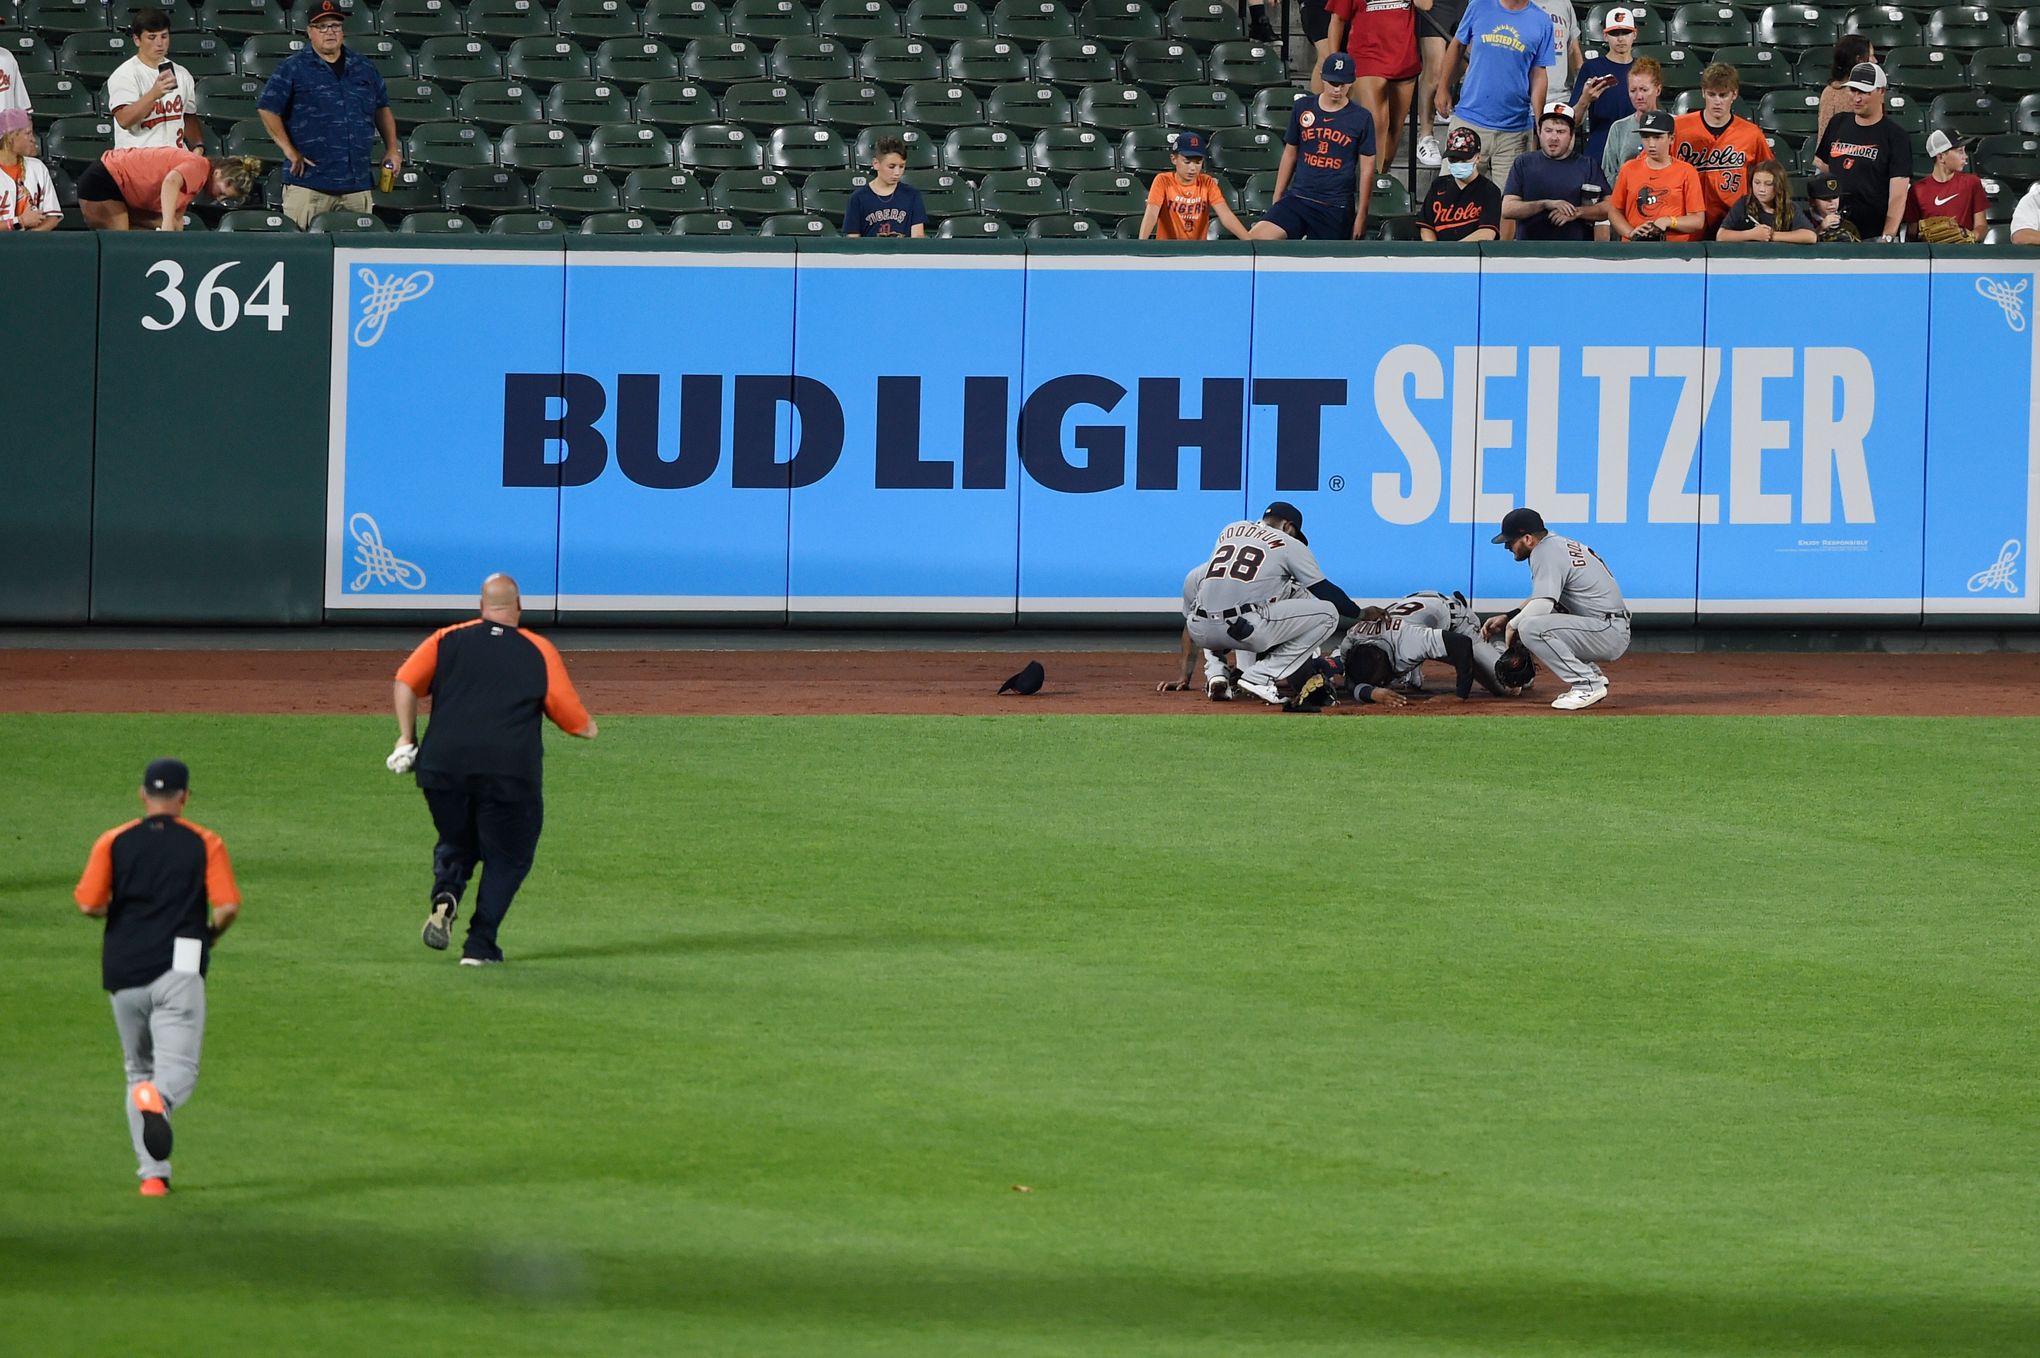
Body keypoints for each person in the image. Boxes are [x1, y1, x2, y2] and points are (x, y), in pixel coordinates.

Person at [389, 574, 597, 966]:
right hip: (508, 773)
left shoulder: (446, 638)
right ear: (519, 606)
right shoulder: (538, 649)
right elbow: (574, 721)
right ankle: (480, 944)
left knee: (457, 837)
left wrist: (405, 739)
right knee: (508, 856)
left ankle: (446, 895)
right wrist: (588, 728)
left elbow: (404, 681)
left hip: (441, 769)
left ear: (481, 606)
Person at [73, 758, 242, 1197]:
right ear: (184, 797)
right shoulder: (205, 842)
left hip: (122, 966)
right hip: (181, 964)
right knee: (177, 1072)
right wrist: (209, 937)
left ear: (143, 794)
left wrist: (125, 916)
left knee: (137, 1071)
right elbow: (227, 908)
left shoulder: (113, 841)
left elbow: (89, 904)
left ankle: (153, 1175)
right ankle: (160, 1101)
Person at [1183, 501, 1363, 707]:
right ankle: (1259, 677)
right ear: (1288, 526)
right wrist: (1360, 614)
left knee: (1212, 607)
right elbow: (1324, 591)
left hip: (1200, 630)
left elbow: (1188, 624)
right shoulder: (1288, 543)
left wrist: (1184, 677)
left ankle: (1216, 675)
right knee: (1329, 613)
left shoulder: (1230, 530)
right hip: (1244, 628)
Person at [257, 0, 399, 231]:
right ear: (309, 32)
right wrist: (289, 150)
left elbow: (382, 108)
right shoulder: (293, 68)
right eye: (322, 27)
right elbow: (267, 108)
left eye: (335, 25)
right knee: (303, 254)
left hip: (356, 185)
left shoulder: (364, 67)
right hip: (310, 185)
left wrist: (392, 148)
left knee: (355, 256)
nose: (330, 31)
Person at [1480, 506, 1630, 710]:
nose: (1507, 546)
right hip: (1606, 625)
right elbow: (1543, 596)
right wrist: (1509, 616)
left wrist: (1512, 626)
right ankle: (1591, 674)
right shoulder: (1555, 545)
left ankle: (1587, 684)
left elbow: (1543, 604)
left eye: (1510, 540)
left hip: (1607, 631)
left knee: (1531, 627)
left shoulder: (1544, 552)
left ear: (1527, 539)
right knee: (1538, 618)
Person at [1251, 53, 1376, 241]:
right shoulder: (1303, 107)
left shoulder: (1361, 117)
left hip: (1335, 206)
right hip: (1299, 198)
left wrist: (1362, 215)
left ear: (1351, 82)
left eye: (1343, 84)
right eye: (1333, 83)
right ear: (1323, 79)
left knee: (1324, 263)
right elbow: (1290, 153)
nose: (1338, 88)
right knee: (1254, 238)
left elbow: (1367, 169)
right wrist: (1278, 197)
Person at [1433, 0, 1556, 193]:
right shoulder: (1478, 6)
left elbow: (1539, 73)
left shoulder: (1542, 21)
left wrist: (1540, 119)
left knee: (1510, 205)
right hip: (1470, 121)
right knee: (1452, 198)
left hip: (1514, 131)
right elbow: (1457, 45)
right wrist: (1443, 87)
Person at [1337, 589, 1520, 698]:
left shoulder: (1409, 642)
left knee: (1509, 686)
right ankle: (1411, 672)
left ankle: (1499, 651)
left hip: (1456, 623)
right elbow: (1350, 679)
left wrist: (1459, 697)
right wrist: (1368, 692)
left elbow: (1461, 645)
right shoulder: (1351, 640)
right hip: (1418, 618)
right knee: (1394, 677)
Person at [1325, 0, 1430, 169]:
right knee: (1377, 124)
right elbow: (1337, 20)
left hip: (1404, 58)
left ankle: (1379, 179)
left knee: (1394, 133)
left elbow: (1426, 5)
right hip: (1366, 56)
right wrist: (1335, 64)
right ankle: (1370, 186)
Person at [1813, 61, 1909, 243]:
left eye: (1864, 92)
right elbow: (1822, 175)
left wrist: (1887, 237)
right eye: (1853, 91)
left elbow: (1898, 195)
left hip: (1874, 235)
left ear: (1881, 92)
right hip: (1835, 232)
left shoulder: (1896, 136)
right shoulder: (1838, 122)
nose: (1856, 98)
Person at [1673, 62, 1770, 239]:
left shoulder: (1751, 134)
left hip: (1734, 219)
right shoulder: (1679, 128)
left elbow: (1769, 174)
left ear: (1734, 94)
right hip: (1687, 216)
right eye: (1712, 94)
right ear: (1703, 93)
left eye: (1723, 95)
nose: (1717, 101)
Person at [74, 147, 260, 229]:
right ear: (219, 173)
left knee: (171, 226)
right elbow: (171, 181)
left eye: (223, 199)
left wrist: (170, 224)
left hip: (120, 191)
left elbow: (175, 223)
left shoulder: (194, 186)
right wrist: (167, 224)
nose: (218, 199)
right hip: (105, 179)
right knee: (123, 243)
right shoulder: (199, 166)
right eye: (221, 193)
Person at [1501, 100, 1608, 241]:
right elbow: (1508, 209)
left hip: (1577, 253)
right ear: (1539, 132)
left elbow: (1609, 207)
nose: (1553, 137)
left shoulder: (1588, 165)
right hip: (1530, 252)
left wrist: (1577, 212)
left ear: (1571, 135)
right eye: (1548, 130)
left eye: (1561, 132)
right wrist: (1545, 204)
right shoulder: (1523, 163)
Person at [106, 9, 202, 151]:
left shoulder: (182, 74)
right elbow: (124, 120)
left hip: (175, 158)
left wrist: (198, 146)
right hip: (138, 160)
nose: (159, 43)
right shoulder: (125, 74)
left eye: (164, 36)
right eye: (151, 37)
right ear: (137, 40)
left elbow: (188, 115)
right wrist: (153, 94)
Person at [1607, 109, 1703, 242]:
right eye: (1646, 137)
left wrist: (1669, 222)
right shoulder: (1628, 169)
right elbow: (1614, 211)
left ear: (1671, 139)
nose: (1651, 144)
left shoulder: (1686, 171)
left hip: (1672, 252)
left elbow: (1697, 220)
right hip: (1634, 248)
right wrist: (1630, 233)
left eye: (1657, 137)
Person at [1138, 131, 1249, 240]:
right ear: (1173, 159)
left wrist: (1249, 242)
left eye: (1198, 162)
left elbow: (1226, 216)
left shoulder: (1207, 182)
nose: (1192, 168)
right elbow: (1152, 214)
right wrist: (1141, 243)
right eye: (1187, 162)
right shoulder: (1163, 180)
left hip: (1197, 251)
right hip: (1167, 251)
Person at [1569, 7, 1635, 173]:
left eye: (1625, 32)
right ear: (1605, 35)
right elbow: (1573, 121)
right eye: (1615, 33)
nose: (1620, 39)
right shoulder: (1592, 68)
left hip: (1635, 148)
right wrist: (1585, 99)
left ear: (1634, 34)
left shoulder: (1642, 68)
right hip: (1600, 148)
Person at [1903, 130, 1988, 245]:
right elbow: (1912, 233)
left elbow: (1981, 225)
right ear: (1941, 156)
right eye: (1960, 151)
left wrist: (1970, 236)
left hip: (1965, 253)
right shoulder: (1917, 191)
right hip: (1931, 255)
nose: (1966, 156)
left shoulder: (1972, 182)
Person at [1420, 124, 1502, 239]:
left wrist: (1454, 253)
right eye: (1453, 159)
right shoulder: (1438, 185)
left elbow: (1487, 233)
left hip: (1473, 254)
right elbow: (1426, 227)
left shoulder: (1490, 191)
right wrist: (1437, 253)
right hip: (1439, 254)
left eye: (1463, 159)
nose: (1458, 164)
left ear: (1478, 158)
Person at [841, 134, 925, 238]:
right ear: (876, 164)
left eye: (902, 166)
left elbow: (918, 238)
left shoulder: (913, 195)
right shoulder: (858, 198)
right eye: (891, 166)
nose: (897, 172)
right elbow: (853, 241)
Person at [1714, 159, 1816, 243]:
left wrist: (1771, 235)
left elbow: (1810, 236)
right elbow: (1722, 235)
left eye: (1768, 184)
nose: (1761, 189)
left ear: (1779, 186)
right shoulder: (1744, 203)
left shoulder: (1789, 207)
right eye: (1757, 183)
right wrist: (1751, 234)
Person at [1599, 55, 1659, 190]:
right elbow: (1608, 173)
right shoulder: (1618, 128)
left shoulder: (1674, 123)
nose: (1639, 96)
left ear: (1658, 90)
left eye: (1644, 90)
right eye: (1633, 90)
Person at [0, 109, 61, 230]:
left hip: (33, 244)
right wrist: (20, 221)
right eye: (28, 133)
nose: (33, 139)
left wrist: (28, 242)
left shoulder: (37, 167)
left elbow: (53, 217)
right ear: (10, 137)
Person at [1814, 34, 1873, 150]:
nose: (1875, 61)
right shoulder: (1831, 93)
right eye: (1871, 56)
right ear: (1859, 60)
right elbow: (1825, 138)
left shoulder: (1874, 91)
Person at [1534, 0, 1582, 121]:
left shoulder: (1564, 3)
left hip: (1561, 98)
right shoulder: (1517, 4)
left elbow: (1573, 49)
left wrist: (1580, 83)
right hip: (1526, 101)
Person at [1803, 172, 1859, 241]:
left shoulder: (1848, 226)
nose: (1831, 202)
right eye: (1825, 198)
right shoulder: (1801, 221)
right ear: (1812, 201)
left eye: (1835, 197)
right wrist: (1819, 230)